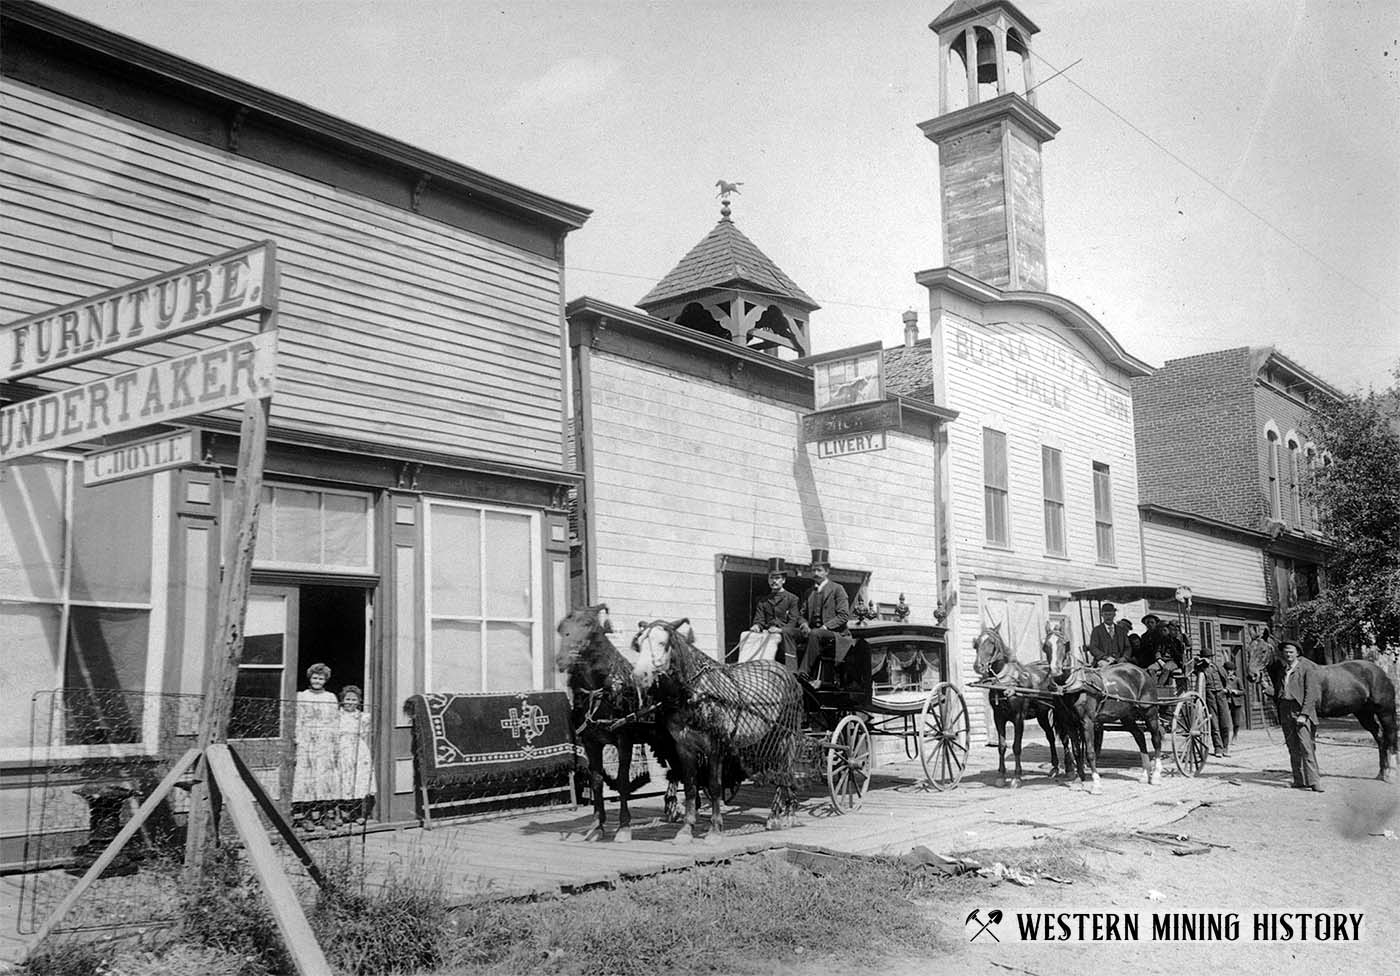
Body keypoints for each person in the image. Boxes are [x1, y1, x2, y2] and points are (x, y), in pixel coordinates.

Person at [293, 662, 340, 829]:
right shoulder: (302, 696)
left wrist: (334, 742)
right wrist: (298, 739)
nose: (317, 681)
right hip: (307, 740)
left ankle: (326, 816)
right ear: (310, 678)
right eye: (315, 677)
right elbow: (298, 718)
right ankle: (304, 817)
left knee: (325, 779)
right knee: (306, 779)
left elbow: (335, 720)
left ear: (325, 680)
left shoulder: (330, 697)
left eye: (321, 678)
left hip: (325, 741)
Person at [796, 548, 852, 683]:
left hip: (836, 634)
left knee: (815, 634)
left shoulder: (837, 589)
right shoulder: (809, 592)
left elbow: (844, 615)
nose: (815, 573)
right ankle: (788, 670)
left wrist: (825, 627)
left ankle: (803, 673)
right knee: (789, 633)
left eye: (819, 570)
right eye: (813, 570)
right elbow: (800, 614)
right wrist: (803, 623)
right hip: (813, 632)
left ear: (827, 572)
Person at [1276, 641, 1323, 792]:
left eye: (1291, 652)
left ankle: (1314, 781)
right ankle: (1299, 779)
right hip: (1286, 710)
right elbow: (1283, 692)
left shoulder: (1306, 669)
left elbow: (1311, 694)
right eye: (1285, 652)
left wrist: (1304, 714)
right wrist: (1266, 688)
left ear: (1297, 653)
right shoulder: (1283, 670)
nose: (1288, 654)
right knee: (1292, 747)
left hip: (1301, 711)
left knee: (1306, 746)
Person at [750, 557, 805, 670]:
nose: (774, 581)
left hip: (788, 632)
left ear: (783, 580)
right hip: (769, 632)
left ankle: (791, 671)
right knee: (748, 635)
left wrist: (780, 630)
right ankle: (753, 668)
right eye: (771, 578)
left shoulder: (792, 599)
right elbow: (759, 620)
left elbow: (793, 622)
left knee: (780, 635)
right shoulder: (763, 601)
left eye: (777, 578)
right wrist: (757, 626)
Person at [335, 685, 376, 825]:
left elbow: (365, 734)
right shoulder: (336, 715)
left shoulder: (363, 717)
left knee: (358, 780)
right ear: (342, 700)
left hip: (359, 750)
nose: (350, 702)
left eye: (354, 699)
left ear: (358, 701)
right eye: (348, 699)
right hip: (342, 748)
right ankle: (340, 814)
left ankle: (357, 813)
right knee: (342, 779)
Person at [1200, 651, 1232, 757]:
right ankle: (1218, 748)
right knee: (1214, 722)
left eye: (1209, 657)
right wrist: (1202, 662)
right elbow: (1195, 668)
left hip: (1221, 694)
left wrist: (1226, 689)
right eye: (1206, 657)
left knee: (1225, 722)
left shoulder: (1217, 667)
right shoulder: (1201, 668)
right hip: (1210, 695)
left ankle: (1225, 747)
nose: (1208, 659)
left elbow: (1226, 679)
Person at [1223, 659, 1246, 746]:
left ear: (1234, 671)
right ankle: (1226, 738)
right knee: (1225, 721)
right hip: (1227, 702)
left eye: (1231, 670)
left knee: (1236, 722)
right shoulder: (1223, 679)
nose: (1229, 672)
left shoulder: (1237, 680)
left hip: (1236, 703)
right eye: (1227, 670)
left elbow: (1243, 691)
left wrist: (1236, 692)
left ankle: (1235, 736)